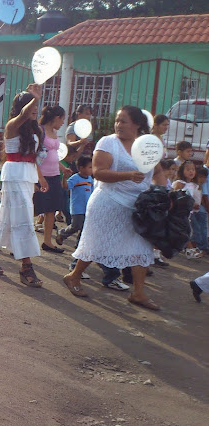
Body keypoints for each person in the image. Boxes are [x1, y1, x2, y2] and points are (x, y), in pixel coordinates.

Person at [63, 106, 164, 310]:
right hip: (108, 201)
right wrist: (127, 175)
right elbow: (99, 172)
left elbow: (159, 171)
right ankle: (74, 276)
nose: (118, 125)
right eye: (117, 121)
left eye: (123, 121)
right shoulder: (109, 142)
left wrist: (162, 194)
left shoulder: (146, 144)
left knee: (141, 248)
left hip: (138, 207)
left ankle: (138, 293)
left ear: (136, 124)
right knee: (96, 243)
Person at [0, 84, 48, 287]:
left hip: (27, 176)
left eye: (37, 108)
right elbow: (24, 114)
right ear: (22, 109)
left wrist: (40, 178)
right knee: (24, 219)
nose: (35, 111)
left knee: (9, 217)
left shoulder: (34, 130)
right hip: (13, 175)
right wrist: (34, 98)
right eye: (31, 108)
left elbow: (33, 158)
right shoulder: (12, 126)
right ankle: (26, 266)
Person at [34, 105, 71, 253]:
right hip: (41, 176)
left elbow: (53, 154)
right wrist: (40, 177)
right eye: (62, 119)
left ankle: (47, 242)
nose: (63, 123)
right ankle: (17, 239)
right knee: (34, 208)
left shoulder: (54, 132)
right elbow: (34, 156)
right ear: (56, 118)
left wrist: (63, 168)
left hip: (54, 175)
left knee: (51, 209)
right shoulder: (39, 131)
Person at [56, 156, 93, 246]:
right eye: (90, 167)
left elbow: (92, 192)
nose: (92, 170)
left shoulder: (90, 179)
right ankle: (62, 233)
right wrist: (64, 178)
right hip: (77, 208)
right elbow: (66, 187)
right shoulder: (75, 178)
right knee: (76, 226)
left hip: (87, 208)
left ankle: (80, 245)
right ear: (81, 168)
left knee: (85, 228)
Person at [172, 161, 204, 258]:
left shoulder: (194, 185)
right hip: (178, 212)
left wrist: (195, 205)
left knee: (184, 231)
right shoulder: (180, 183)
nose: (191, 172)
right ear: (182, 171)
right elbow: (176, 196)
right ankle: (190, 250)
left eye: (193, 169)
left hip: (187, 213)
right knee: (184, 231)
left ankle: (187, 249)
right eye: (188, 169)